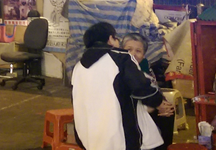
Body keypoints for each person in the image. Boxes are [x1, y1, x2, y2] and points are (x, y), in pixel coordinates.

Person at [72, 22, 164, 150]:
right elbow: (141, 87)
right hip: (119, 136)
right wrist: (158, 101)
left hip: (86, 136)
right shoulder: (121, 58)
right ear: (110, 39)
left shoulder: (78, 67)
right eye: (116, 38)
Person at [122, 33, 175, 150]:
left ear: (143, 55)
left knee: (168, 111)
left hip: (147, 104)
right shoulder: (121, 68)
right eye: (129, 49)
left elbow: (154, 88)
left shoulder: (144, 66)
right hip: (130, 109)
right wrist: (157, 105)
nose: (133, 54)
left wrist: (162, 104)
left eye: (138, 51)